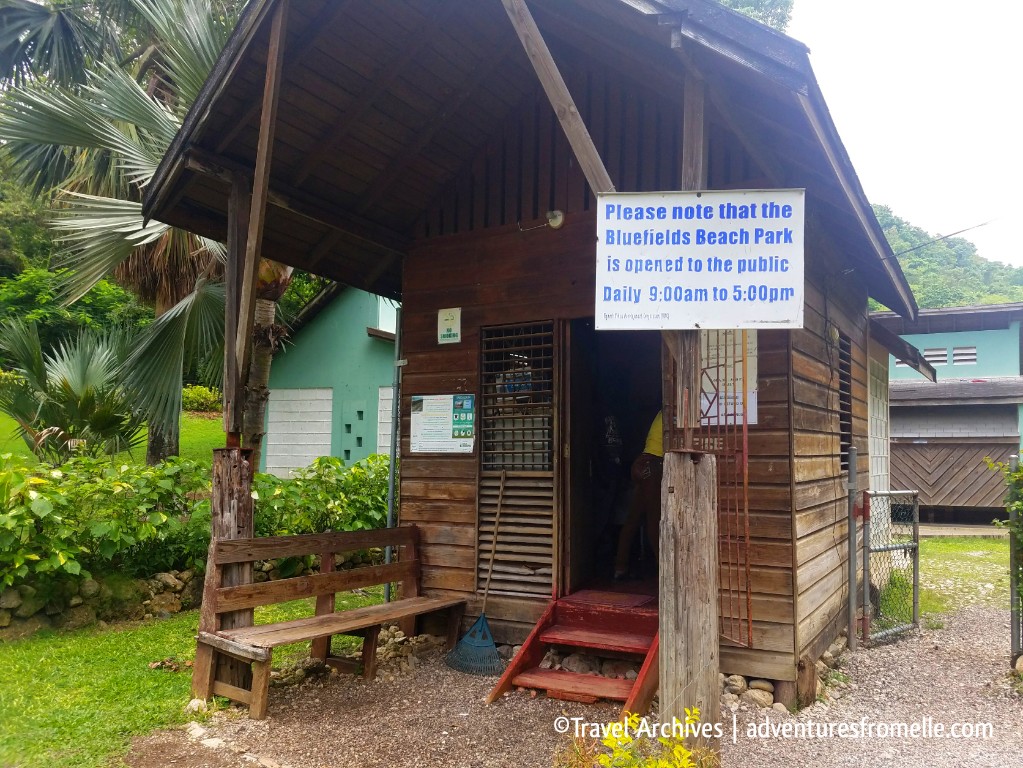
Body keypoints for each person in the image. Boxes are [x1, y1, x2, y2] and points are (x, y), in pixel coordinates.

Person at [614, 411, 663, 580]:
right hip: (653, 466)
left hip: (642, 463)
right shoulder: (671, 411)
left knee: (633, 518)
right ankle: (664, 568)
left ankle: (620, 567)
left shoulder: (661, 412)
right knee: (654, 520)